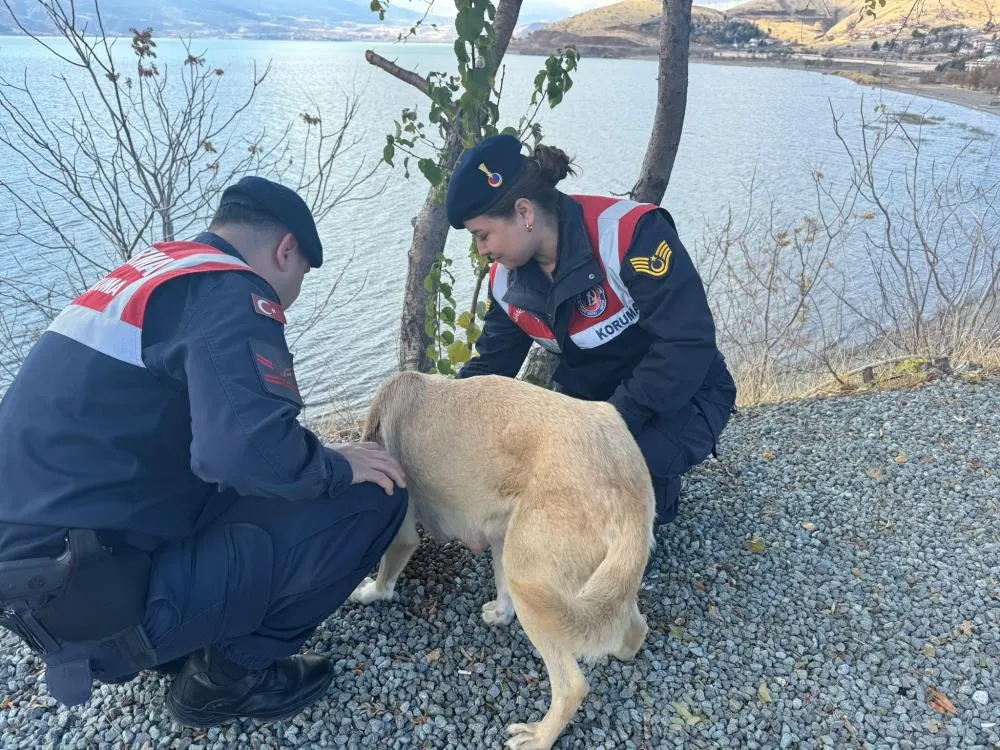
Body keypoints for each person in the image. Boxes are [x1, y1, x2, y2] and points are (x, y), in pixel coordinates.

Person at [0, 176, 408, 727]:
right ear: (285, 250)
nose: (292, 295)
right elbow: (243, 455)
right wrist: (335, 465)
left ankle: (179, 638)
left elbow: (210, 438)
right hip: (99, 598)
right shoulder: (231, 290)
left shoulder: (151, 272)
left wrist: (307, 454)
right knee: (374, 497)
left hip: (47, 584)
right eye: (300, 278)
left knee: (285, 479)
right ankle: (222, 682)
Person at [447, 134, 737, 525]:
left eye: (482, 235)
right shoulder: (506, 280)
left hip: (686, 393)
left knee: (605, 507)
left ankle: (653, 490)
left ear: (524, 213)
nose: (482, 250)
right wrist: (442, 416)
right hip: (594, 407)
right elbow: (490, 367)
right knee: (542, 490)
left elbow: (686, 344)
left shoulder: (631, 235)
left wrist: (605, 431)